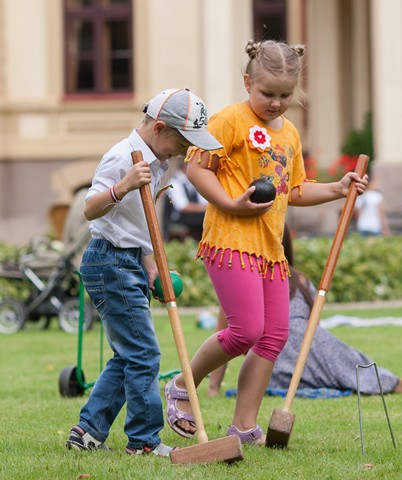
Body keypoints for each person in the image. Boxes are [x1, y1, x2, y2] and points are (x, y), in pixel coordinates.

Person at [165, 40, 368, 446]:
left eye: (285, 95)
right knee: (244, 330)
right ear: (247, 83)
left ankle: (243, 425)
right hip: (229, 240)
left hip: (271, 250)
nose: (276, 103)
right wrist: (229, 203)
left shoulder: (289, 133)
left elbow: (292, 190)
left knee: (273, 335)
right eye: (267, 94)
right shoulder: (229, 122)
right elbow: (197, 167)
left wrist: (338, 188)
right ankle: (181, 386)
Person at [65, 88, 223, 457]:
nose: (186, 150)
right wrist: (122, 187)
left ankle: (87, 432)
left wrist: (152, 266)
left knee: (129, 354)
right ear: (159, 128)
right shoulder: (122, 157)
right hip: (109, 262)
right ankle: (144, 441)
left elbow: (139, 225)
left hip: (131, 260)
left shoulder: (156, 162)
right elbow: (90, 209)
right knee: (145, 354)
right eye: (183, 140)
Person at [208, 230, 402, 396]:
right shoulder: (300, 279)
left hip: (274, 359)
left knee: (311, 370)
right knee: (344, 362)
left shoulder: (246, 281)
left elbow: (223, 334)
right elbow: (316, 326)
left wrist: (213, 388)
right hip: (304, 343)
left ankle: (380, 382)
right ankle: (388, 382)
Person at [165, 159, 208, 240]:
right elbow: (183, 207)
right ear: (186, 166)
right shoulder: (174, 182)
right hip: (180, 220)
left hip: (196, 220)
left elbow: (204, 201)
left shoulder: (195, 181)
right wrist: (206, 208)